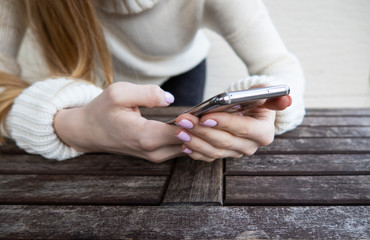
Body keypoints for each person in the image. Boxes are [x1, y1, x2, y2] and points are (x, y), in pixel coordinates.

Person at [0, 0, 305, 162]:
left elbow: (279, 63)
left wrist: (267, 106)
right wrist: (69, 126)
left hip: (184, 73)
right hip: (94, 85)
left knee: (183, 147)